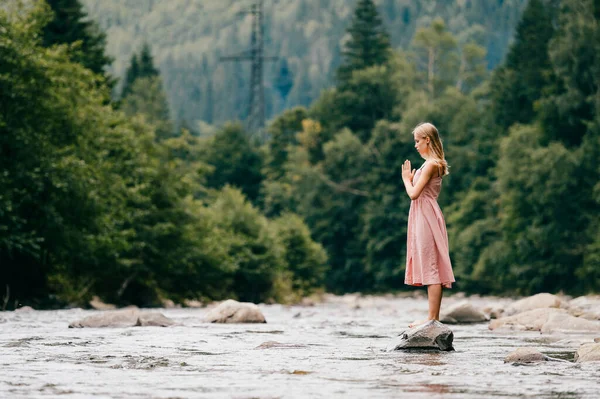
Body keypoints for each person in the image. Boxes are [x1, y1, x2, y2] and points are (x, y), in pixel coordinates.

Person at [401, 122, 455, 328]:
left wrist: (406, 180)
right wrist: (414, 179)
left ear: (427, 140)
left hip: (426, 216)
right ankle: (432, 317)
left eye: (417, 141)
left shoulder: (432, 164)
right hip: (424, 214)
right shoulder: (430, 164)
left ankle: (433, 318)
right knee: (429, 262)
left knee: (431, 265)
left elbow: (414, 194)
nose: (415, 145)